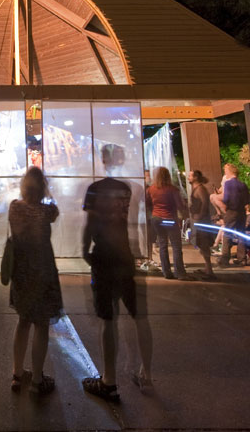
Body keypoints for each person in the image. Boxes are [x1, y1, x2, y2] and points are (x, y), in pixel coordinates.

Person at [80, 144, 154, 402]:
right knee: (139, 316)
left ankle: (109, 380)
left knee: (108, 318)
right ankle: (146, 374)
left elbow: (90, 223)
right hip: (124, 256)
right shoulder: (126, 189)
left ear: (104, 159)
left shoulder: (95, 189)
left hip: (104, 257)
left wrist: (84, 249)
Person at [7, 167, 63, 395]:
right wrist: (47, 193)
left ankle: (17, 374)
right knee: (41, 324)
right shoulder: (46, 211)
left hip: (21, 274)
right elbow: (55, 210)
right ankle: (38, 380)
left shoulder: (14, 208)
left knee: (23, 322)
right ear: (42, 187)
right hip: (43, 274)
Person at [145, 167, 189, 280]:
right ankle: (180, 273)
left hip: (156, 218)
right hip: (170, 219)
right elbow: (180, 205)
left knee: (162, 244)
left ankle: (166, 272)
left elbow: (147, 203)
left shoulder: (151, 189)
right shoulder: (173, 189)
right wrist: (184, 213)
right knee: (176, 246)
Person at [218, 164, 250, 267]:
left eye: (225, 171)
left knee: (227, 234)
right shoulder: (242, 185)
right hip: (241, 212)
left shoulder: (228, 184)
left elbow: (226, 198)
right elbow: (247, 200)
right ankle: (242, 259)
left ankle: (225, 260)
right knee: (241, 235)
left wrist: (223, 206)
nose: (225, 173)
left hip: (231, 211)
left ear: (230, 171)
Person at [188, 170, 217, 279]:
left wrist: (200, 215)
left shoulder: (200, 189)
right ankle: (207, 268)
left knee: (204, 244)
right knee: (201, 244)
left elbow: (205, 203)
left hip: (202, 221)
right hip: (199, 220)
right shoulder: (197, 189)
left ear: (195, 177)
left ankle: (209, 270)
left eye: (190, 176)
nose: (188, 177)